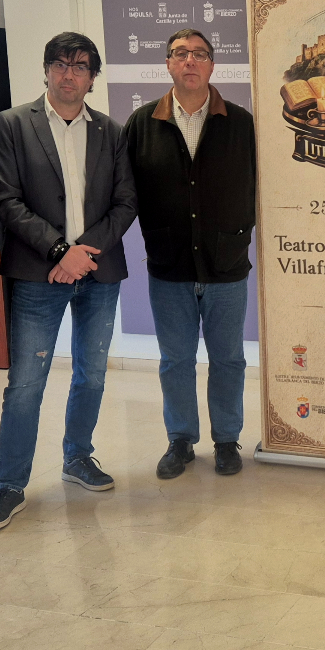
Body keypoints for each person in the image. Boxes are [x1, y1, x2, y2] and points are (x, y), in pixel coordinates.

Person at [0, 32, 137, 531]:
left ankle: (77, 457)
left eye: (80, 66)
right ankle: (9, 484)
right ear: (46, 70)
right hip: (37, 272)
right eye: (61, 64)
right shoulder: (13, 123)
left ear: (93, 77)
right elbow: (6, 199)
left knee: (92, 373)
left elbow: (126, 202)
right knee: (26, 383)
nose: (70, 74)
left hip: (98, 271)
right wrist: (59, 252)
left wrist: (82, 254)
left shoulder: (111, 131)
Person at [125, 28, 256, 479]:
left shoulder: (240, 122)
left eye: (199, 53)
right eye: (180, 53)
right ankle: (180, 439)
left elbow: (257, 187)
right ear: (168, 64)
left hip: (227, 265)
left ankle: (227, 440)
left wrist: (242, 233)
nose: (190, 61)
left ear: (212, 65)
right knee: (176, 361)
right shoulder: (142, 124)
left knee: (229, 360)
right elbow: (126, 193)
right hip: (169, 266)